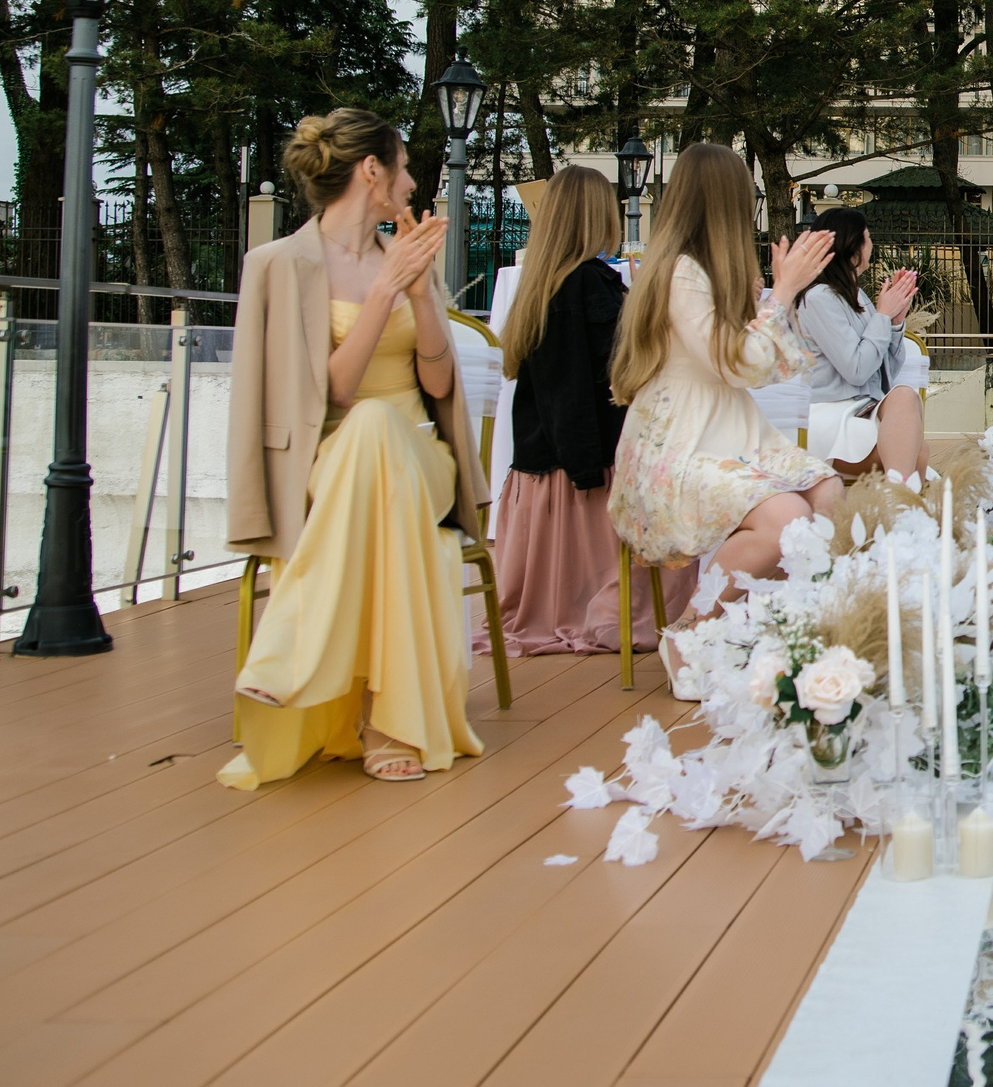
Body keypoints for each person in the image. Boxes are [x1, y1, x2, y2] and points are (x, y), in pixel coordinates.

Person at [221, 109, 484, 788]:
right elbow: (333, 393)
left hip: (419, 455)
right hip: (327, 463)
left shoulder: (405, 259)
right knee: (364, 427)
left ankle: (290, 655)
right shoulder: (277, 265)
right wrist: (387, 288)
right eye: (403, 166)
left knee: (379, 427)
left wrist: (420, 291)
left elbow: (436, 380)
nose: (413, 180)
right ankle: (387, 720)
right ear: (373, 171)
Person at [608, 143, 839, 694]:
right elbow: (740, 363)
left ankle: (761, 634)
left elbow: (755, 358)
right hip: (677, 449)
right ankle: (690, 632)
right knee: (786, 520)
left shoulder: (705, 273)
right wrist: (783, 292)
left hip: (727, 436)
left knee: (828, 494)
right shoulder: (681, 274)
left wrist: (777, 292)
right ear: (726, 203)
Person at [489, 166, 690, 655]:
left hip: (546, 462)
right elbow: (607, 375)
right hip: (589, 467)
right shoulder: (588, 285)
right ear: (595, 215)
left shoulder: (541, 286)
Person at [796, 204, 932, 483]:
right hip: (832, 412)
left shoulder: (857, 297)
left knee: (918, 446)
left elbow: (884, 374)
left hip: (863, 408)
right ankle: (902, 504)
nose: (872, 244)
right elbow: (856, 369)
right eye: (867, 237)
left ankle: (899, 504)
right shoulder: (819, 298)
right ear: (852, 246)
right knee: (911, 429)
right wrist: (882, 316)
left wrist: (894, 321)